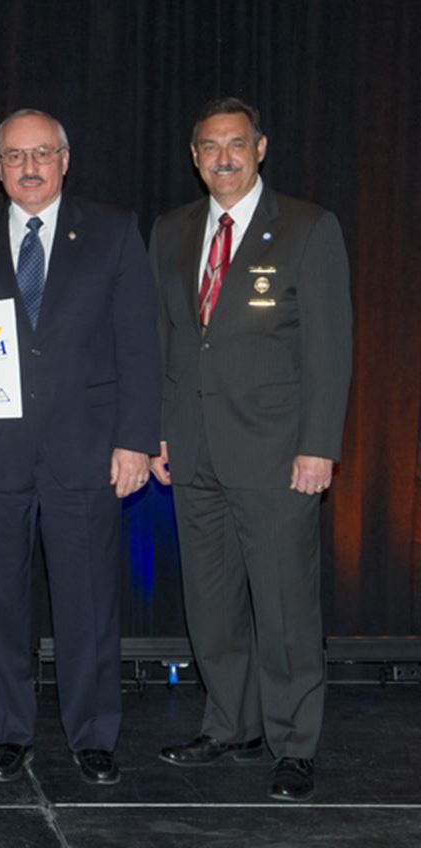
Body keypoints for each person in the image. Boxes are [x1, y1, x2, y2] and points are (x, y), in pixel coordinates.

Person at [0, 109, 160, 786]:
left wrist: (136, 440)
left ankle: (93, 734)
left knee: (87, 600)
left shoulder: (115, 233)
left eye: (42, 154)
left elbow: (139, 344)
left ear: (65, 159)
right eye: (14, 157)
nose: (29, 167)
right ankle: (6, 730)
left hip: (87, 451)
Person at [150, 97, 352, 803]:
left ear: (260, 148)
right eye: (210, 147)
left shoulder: (305, 227)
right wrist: (160, 433)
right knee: (210, 605)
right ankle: (229, 723)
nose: (224, 158)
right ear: (194, 156)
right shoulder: (171, 232)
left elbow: (331, 350)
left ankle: (292, 744)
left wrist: (319, 446)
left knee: (286, 607)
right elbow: (168, 343)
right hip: (195, 451)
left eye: (237, 144)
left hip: (277, 455)